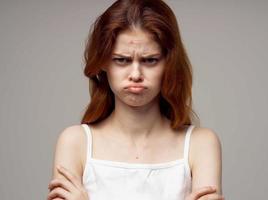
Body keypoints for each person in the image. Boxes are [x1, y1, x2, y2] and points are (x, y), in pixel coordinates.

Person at [47, 0, 224, 200]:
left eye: (150, 60)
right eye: (121, 60)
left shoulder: (201, 144)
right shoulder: (74, 142)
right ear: (104, 62)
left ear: (169, 63)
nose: (136, 74)